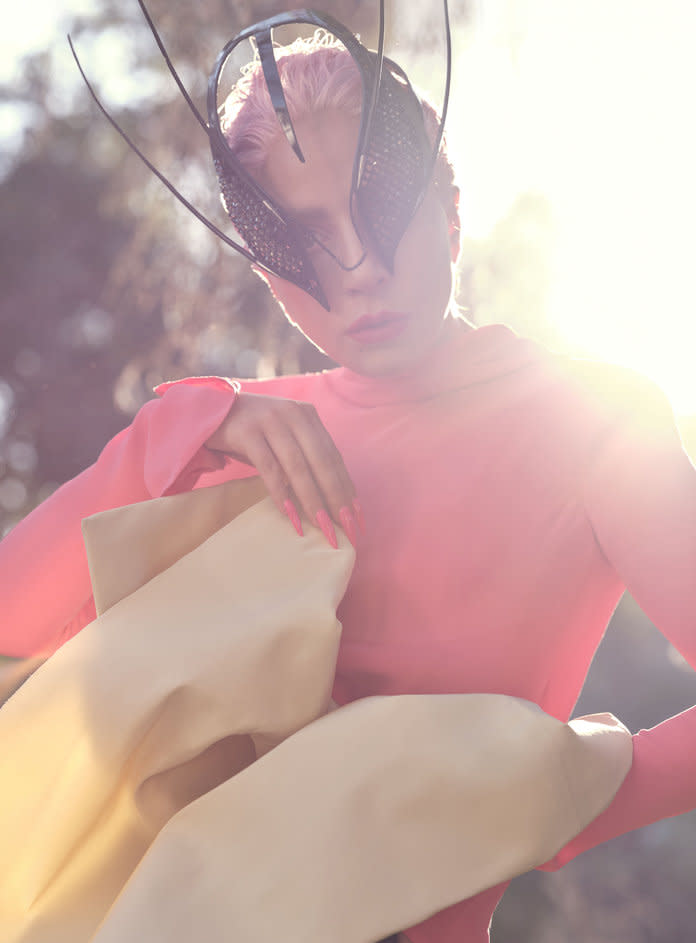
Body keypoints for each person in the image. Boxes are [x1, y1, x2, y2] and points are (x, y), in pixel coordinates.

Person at [2, 18, 696, 943]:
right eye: (306, 241)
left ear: (449, 207)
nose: (359, 271)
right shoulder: (235, 433)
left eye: (381, 213)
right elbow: (14, 620)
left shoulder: (593, 420)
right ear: (262, 268)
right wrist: (178, 427)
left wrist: (549, 805)